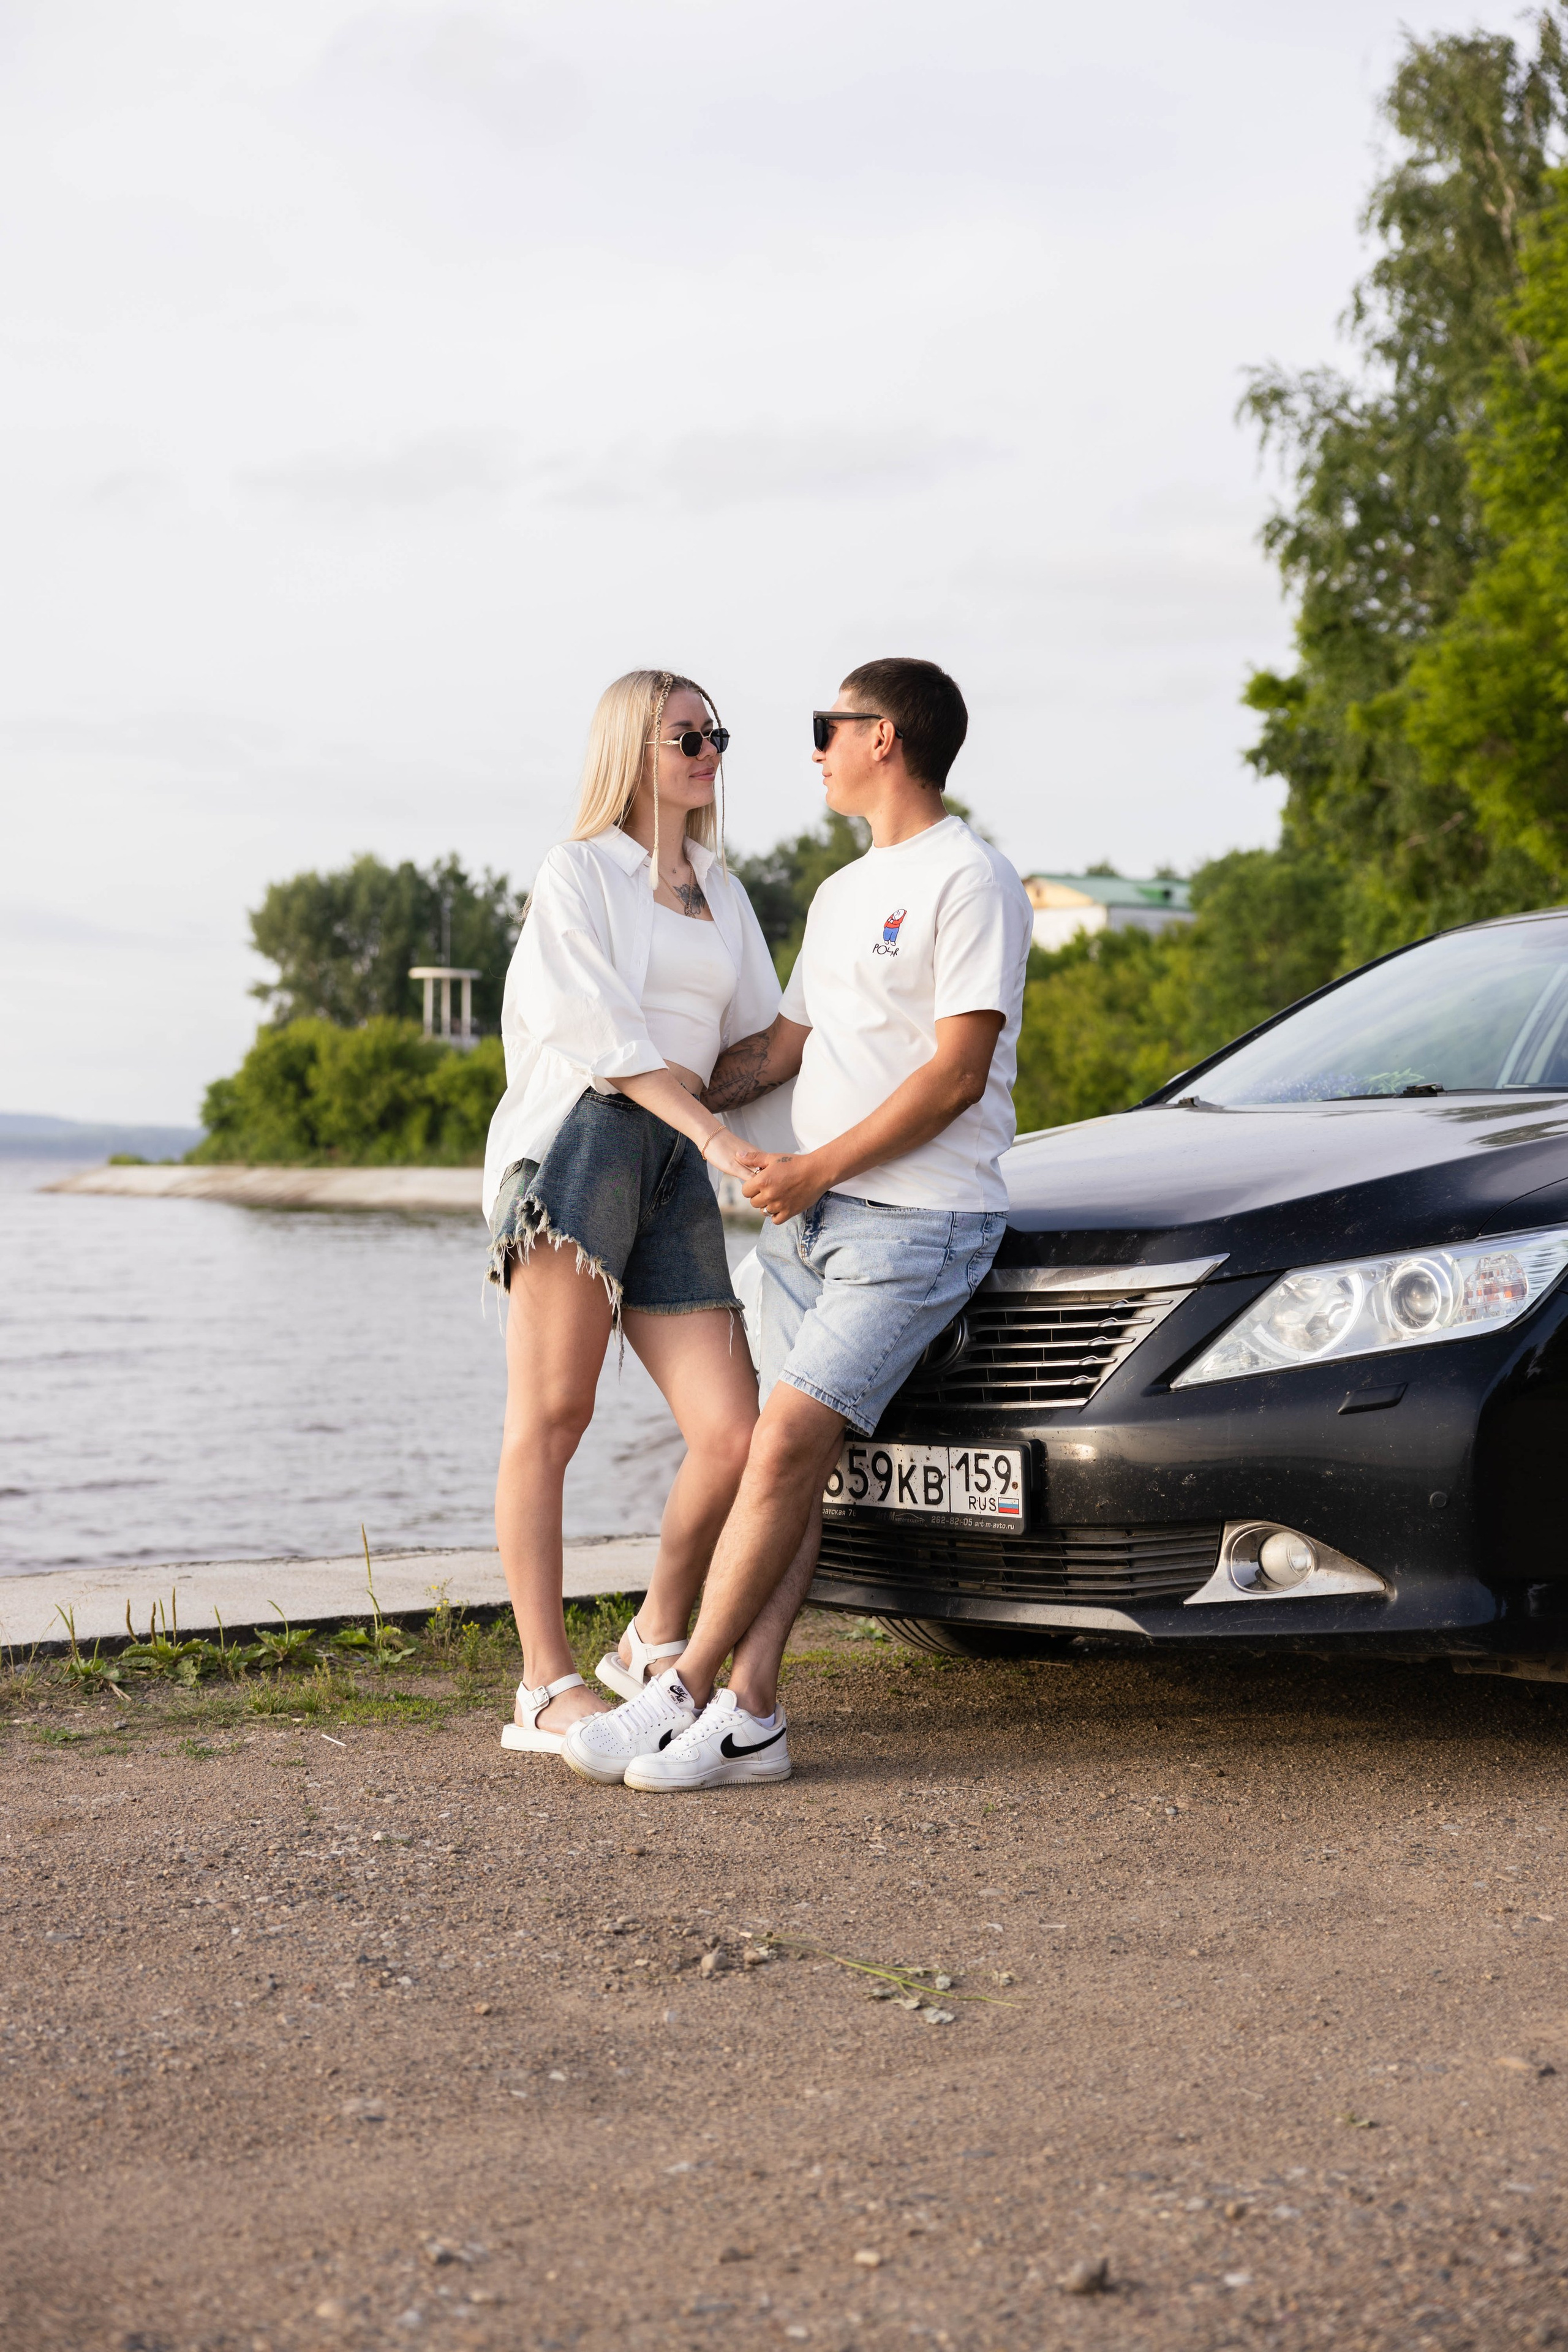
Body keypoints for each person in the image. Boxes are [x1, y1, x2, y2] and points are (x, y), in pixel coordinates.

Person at [562, 656, 1033, 1790]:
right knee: (793, 1463)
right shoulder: (840, 894)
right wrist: (653, 1091)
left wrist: (815, 1164)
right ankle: (753, 1715)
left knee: (777, 1447)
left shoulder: (971, 878)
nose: (814, 746)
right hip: (814, 1226)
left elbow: (957, 1075)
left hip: (919, 1223)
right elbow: (782, 1048)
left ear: (889, 738)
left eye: (831, 725)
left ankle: (676, 1689)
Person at [483, 669, 794, 1756]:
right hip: (585, 1145)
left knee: (735, 1432)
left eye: (717, 733)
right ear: (633, 750)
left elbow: (763, 1043)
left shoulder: (723, 889)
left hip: (676, 1162)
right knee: (553, 1420)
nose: (708, 749)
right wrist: (712, 1131)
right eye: (684, 735)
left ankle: (653, 1639)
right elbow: (608, 1041)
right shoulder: (578, 876)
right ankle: (541, 1684)